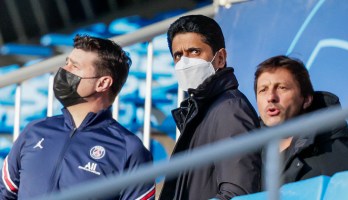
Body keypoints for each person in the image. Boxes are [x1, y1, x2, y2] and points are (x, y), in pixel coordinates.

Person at [0, 35, 155, 200]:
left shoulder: (128, 149)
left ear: (102, 83)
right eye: (67, 63)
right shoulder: (34, 131)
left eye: (74, 66)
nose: (63, 70)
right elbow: (5, 194)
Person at [159, 15, 261, 200]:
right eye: (178, 55)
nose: (185, 62)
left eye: (194, 52)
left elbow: (238, 193)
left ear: (220, 58)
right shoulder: (201, 112)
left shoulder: (230, 109)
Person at [255, 55, 348, 184]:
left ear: (306, 99)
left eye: (282, 87)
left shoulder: (333, 144)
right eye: (263, 90)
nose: (271, 97)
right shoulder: (250, 155)